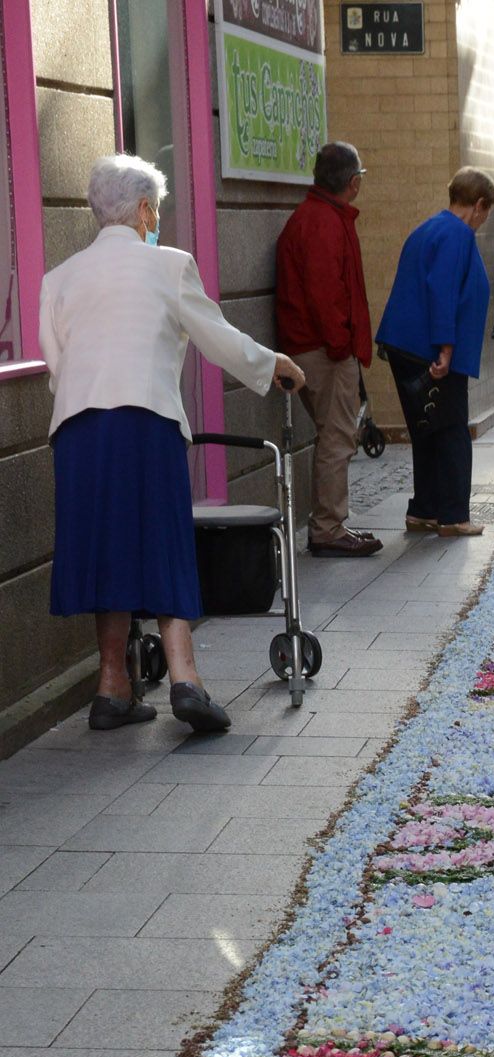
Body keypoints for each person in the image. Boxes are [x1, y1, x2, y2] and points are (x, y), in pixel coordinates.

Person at [38, 154, 304, 734]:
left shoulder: (57, 280)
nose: (157, 219)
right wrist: (272, 362)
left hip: (80, 430)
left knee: (105, 544)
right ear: (142, 210)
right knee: (163, 538)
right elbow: (217, 336)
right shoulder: (168, 266)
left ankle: (112, 685)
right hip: (145, 421)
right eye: (155, 209)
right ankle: (185, 679)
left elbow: (59, 366)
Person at [377, 167, 494, 540]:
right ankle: (453, 515)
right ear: (478, 205)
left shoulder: (427, 228)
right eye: (486, 212)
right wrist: (445, 348)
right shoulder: (457, 233)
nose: (482, 221)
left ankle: (424, 510)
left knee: (427, 430)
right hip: (432, 350)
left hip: (406, 344)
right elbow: (441, 290)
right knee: (452, 432)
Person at [275, 142, 380, 559]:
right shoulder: (323, 222)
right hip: (324, 350)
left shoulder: (316, 217)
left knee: (334, 435)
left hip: (313, 346)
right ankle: (328, 528)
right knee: (338, 437)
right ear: (353, 182)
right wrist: (342, 347)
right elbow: (327, 294)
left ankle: (329, 524)